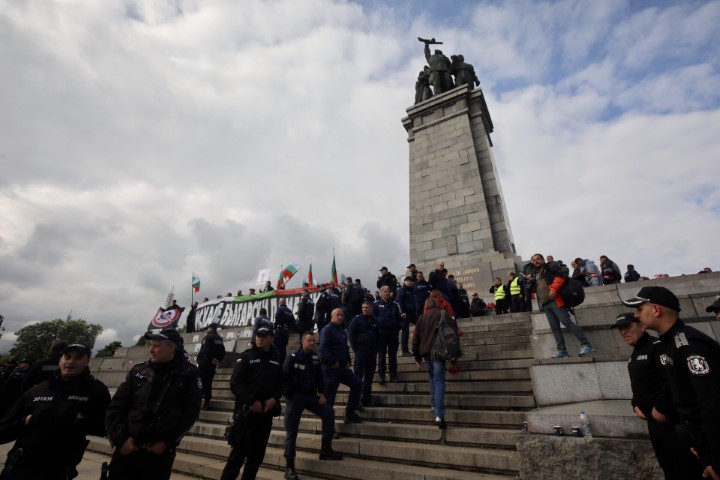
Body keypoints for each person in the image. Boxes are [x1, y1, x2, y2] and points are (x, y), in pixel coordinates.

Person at [622, 286, 720, 480]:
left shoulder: (689, 345)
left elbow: (712, 406)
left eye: (640, 309)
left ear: (656, 310)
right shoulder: (671, 343)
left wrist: (717, 461)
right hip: (693, 437)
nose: (636, 315)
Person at [612, 312, 704, 479]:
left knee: (685, 470)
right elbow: (641, 385)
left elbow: (671, 381)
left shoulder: (657, 346)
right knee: (669, 469)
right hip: (653, 423)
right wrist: (635, 405)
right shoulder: (635, 352)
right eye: (620, 329)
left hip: (670, 421)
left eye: (627, 327)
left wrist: (660, 409)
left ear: (641, 326)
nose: (623, 332)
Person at [0, 344, 110, 480]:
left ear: (87, 361)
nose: (70, 362)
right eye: (67, 357)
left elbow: (105, 426)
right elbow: (3, 430)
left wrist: (79, 419)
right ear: (60, 359)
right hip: (20, 465)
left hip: (58, 468)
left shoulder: (97, 391)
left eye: (78, 358)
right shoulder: (37, 390)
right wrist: (26, 421)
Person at [106, 329, 201, 480]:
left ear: (172, 347)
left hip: (158, 454)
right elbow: (116, 408)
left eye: (157, 346)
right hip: (127, 449)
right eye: (151, 345)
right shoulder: (138, 370)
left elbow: (190, 413)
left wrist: (167, 442)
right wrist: (121, 440)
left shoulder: (189, 374)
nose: (151, 349)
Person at [220, 320, 283, 480]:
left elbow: (280, 383)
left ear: (271, 338)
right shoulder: (246, 357)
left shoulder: (276, 359)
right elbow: (235, 383)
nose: (259, 338)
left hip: (265, 415)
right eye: (258, 335)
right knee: (237, 457)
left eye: (264, 336)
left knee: (256, 458)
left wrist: (274, 399)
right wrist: (251, 400)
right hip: (246, 414)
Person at [283, 332, 342, 479]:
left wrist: (322, 393)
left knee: (328, 412)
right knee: (292, 431)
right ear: (303, 341)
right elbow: (283, 378)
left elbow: (320, 378)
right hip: (295, 397)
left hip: (310, 396)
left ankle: (326, 450)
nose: (312, 343)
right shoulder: (292, 358)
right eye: (309, 340)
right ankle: (289, 466)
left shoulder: (315, 358)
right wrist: (290, 396)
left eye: (314, 341)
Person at [532, 253, 594, 359]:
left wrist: (554, 289)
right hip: (545, 303)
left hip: (555, 300)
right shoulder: (537, 273)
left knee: (566, 322)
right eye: (533, 260)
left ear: (543, 260)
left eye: (537, 259)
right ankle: (562, 351)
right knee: (554, 328)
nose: (535, 261)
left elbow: (560, 277)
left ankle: (586, 345)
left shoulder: (550, 267)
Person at [413, 297, 459, 430]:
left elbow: (416, 339)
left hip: (426, 352)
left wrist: (417, 357)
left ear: (426, 306)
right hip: (439, 351)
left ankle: (433, 404)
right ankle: (439, 415)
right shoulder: (443, 314)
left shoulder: (421, 318)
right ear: (437, 305)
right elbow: (453, 333)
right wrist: (455, 353)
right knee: (439, 380)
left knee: (432, 377)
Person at [319, 309, 362, 424]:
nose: (340, 317)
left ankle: (350, 413)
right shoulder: (326, 330)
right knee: (329, 399)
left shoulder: (342, 331)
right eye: (337, 315)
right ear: (331, 316)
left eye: (342, 315)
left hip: (343, 369)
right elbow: (323, 348)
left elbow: (345, 348)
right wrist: (333, 361)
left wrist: (348, 360)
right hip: (331, 370)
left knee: (357, 383)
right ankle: (329, 428)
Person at [348, 301, 380, 407]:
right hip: (361, 351)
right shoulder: (357, 319)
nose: (365, 309)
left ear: (371, 308)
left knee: (369, 376)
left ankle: (366, 397)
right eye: (363, 307)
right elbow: (351, 334)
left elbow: (378, 335)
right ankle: (355, 400)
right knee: (358, 376)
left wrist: (376, 349)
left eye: (367, 307)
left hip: (372, 352)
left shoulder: (375, 320)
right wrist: (356, 349)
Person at [373, 286, 403, 384]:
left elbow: (399, 319)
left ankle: (393, 375)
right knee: (381, 355)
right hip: (380, 334)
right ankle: (381, 376)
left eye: (388, 291)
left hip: (392, 333)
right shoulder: (375, 305)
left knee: (392, 355)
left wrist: (397, 329)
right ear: (381, 293)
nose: (387, 293)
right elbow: (372, 319)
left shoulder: (395, 305)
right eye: (385, 291)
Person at [197, 323, 226, 411]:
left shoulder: (208, 337)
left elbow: (205, 351)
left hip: (204, 364)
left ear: (211, 328)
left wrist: (209, 359)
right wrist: (217, 360)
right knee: (208, 383)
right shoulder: (219, 338)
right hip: (212, 365)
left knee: (200, 383)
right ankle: (206, 402)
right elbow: (222, 351)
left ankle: (198, 403)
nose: (207, 329)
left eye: (208, 328)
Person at [396, 276, 416, 356]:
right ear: (404, 282)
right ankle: (404, 350)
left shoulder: (412, 290)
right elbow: (399, 301)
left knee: (421, 326)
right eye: (407, 281)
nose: (408, 282)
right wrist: (402, 312)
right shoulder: (402, 290)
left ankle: (417, 348)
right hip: (404, 314)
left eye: (410, 281)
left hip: (412, 313)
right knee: (405, 331)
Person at [274, 299, 294, 367]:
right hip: (286, 332)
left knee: (278, 349)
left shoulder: (280, 309)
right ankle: (283, 364)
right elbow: (293, 321)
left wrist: (282, 325)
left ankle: (278, 365)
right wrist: (288, 326)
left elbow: (277, 318)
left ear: (280, 303)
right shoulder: (290, 311)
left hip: (279, 331)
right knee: (283, 349)